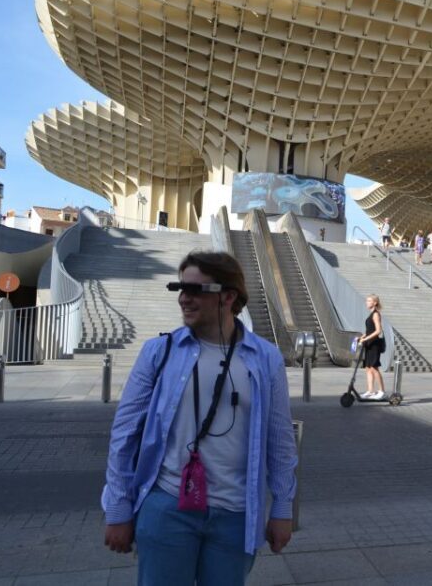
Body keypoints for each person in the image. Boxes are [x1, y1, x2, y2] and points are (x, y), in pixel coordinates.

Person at [102, 251, 298, 586]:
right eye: (179, 289)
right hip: (167, 508)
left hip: (235, 515)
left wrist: (282, 509)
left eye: (195, 290)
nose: (184, 299)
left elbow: (279, 439)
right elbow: (124, 435)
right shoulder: (158, 352)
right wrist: (118, 508)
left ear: (228, 296)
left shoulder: (265, 358)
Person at [358, 294, 387, 399]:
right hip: (369, 344)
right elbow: (370, 330)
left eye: (369, 301)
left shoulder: (375, 314)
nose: (367, 302)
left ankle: (381, 391)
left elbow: (378, 331)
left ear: (375, 303)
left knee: (374, 368)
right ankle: (370, 391)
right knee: (368, 368)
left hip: (374, 344)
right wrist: (362, 337)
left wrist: (365, 339)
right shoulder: (370, 314)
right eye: (367, 300)